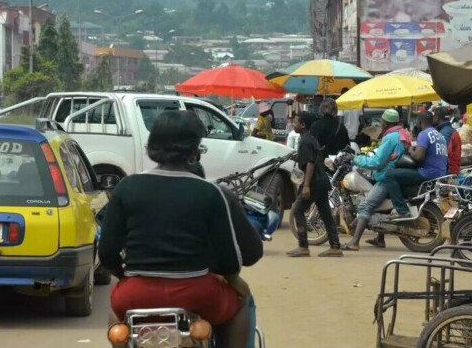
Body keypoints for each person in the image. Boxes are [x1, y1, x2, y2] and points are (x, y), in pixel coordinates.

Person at [98, 110, 263, 347]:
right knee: (241, 303)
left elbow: (107, 254)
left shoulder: (126, 187)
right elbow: (229, 261)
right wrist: (234, 279)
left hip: (136, 295)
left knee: (117, 306)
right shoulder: (210, 193)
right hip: (198, 294)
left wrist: (128, 278)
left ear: (151, 145)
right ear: (195, 150)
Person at [342, 109, 410, 251]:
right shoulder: (402, 134)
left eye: (382, 121)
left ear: (386, 123)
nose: (381, 123)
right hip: (395, 173)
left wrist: (355, 159)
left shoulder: (391, 137)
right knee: (380, 206)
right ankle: (380, 238)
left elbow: (377, 162)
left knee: (366, 206)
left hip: (386, 176)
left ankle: (354, 242)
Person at [286, 111, 342, 257]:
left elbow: (310, 164)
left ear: (303, 125)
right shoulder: (310, 138)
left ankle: (303, 246)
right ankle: (335, 246)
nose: (293, 124)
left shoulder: (305, 141)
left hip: (314, 182)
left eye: (296, 122)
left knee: (298, 211)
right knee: (326, 215)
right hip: (322, 182)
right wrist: (297, 157)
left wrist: (306, 186)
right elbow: (312, 157)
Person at [382, 112, 448, 221]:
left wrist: (410, 150)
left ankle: (402, 211)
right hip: (439, 174)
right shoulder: (440, 135)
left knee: (389, 175)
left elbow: (418, 156)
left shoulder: (424, 134)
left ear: (420, 122)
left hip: (426, 173)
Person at [435, 107, 462, 175]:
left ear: (437, 118)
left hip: (449, 172)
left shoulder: (444, 133)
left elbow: (444, 154)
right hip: (453, 170)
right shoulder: (451, 131)